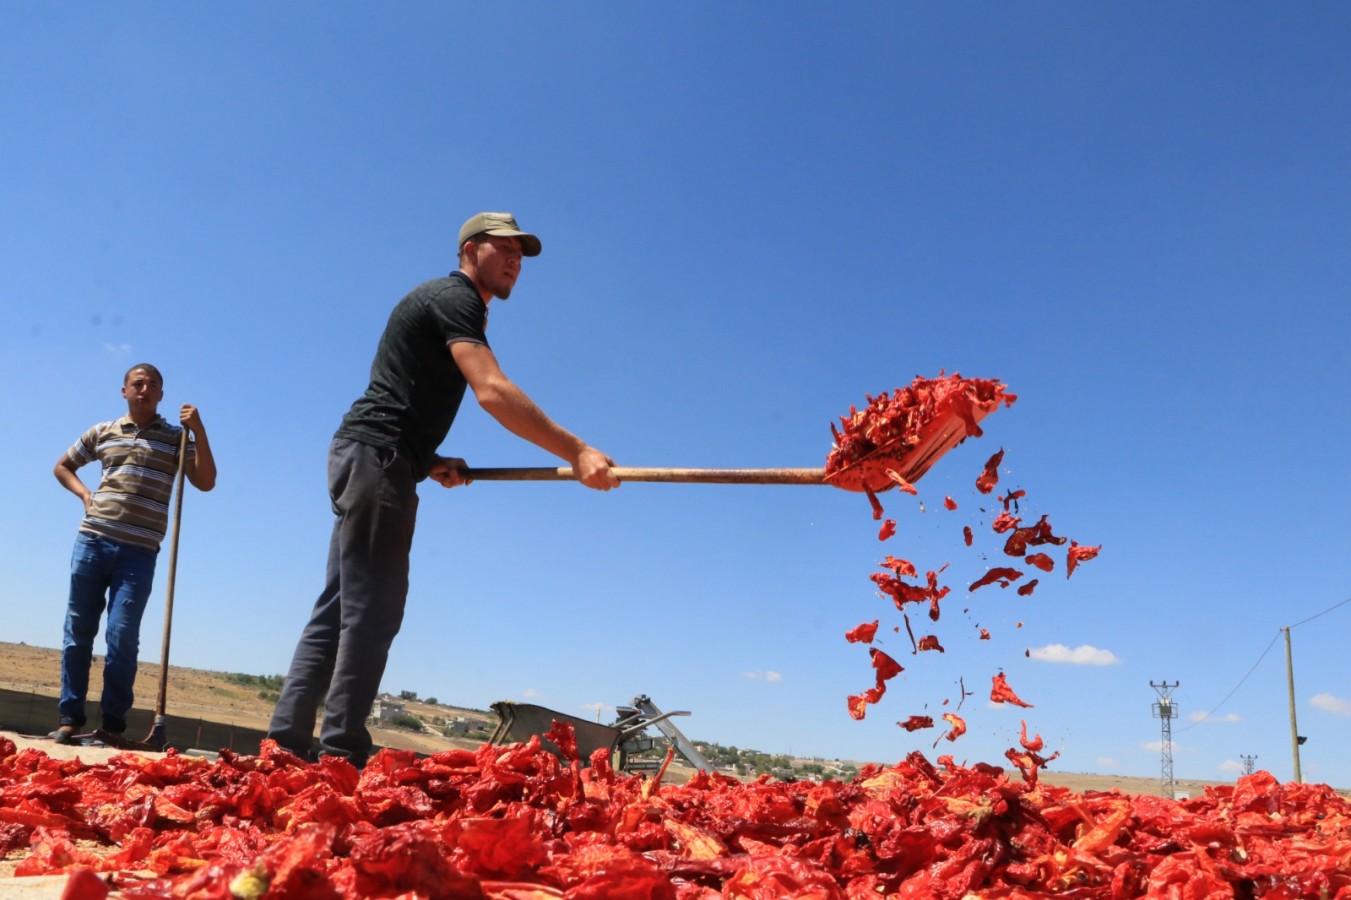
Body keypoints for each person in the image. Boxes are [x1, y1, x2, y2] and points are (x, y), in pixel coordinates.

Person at [268, 211, 619, 767]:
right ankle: (341, 752)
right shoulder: (457, 299)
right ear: (470, 249)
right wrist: (577, 452)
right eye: (505, 248)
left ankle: (285, 745)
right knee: (374, 607)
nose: (515, 260)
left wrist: (426, 460)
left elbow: (400, 391)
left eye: (522, 255)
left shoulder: (446, 301)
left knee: (340, 608)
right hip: (377, 456)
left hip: (373, 454)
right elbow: (493, 390)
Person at [51, 363, 217, 743]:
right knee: (78, 630)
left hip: (140, 552)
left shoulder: (177, 438)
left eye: (153, 385)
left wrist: (200, 431)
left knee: (122, 634)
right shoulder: (103, 431)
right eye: (138, 384)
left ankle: (112, 724)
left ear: (162, 395)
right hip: (93, 540)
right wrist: (85, 494)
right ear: (124, 391)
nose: (145, 389)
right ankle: (69, 718)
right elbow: (63, 466)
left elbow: (205, 482)